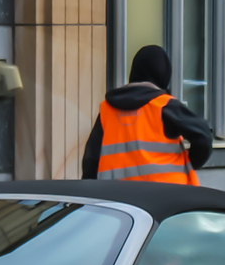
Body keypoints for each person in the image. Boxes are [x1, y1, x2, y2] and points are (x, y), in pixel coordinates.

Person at [81, 44, 215, 184]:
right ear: (163, 75)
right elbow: (203, 135)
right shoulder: (164, 105)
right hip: (167, 195)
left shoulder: (107, 109)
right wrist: (190, 162)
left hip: (119, 198)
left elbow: (91, 159)